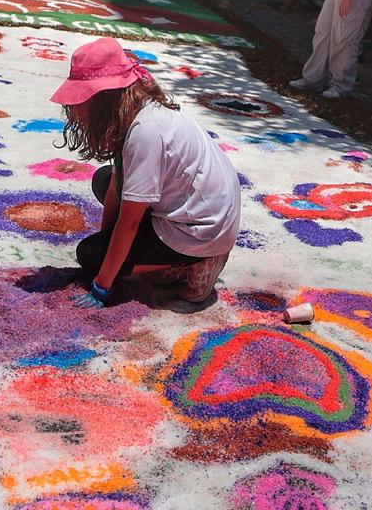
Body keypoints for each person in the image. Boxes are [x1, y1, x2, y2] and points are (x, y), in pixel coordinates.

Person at [57, 38, 241, 310]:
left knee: (90, 256)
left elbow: (129, 222)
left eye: (83, 100)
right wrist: (106, 244)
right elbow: (116, 188)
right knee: (103, 179)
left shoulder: (146, 133)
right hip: (198, 210)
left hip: (201, 230)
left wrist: (103, 283)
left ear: (104, 98)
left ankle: (193, 264)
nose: (78, 109)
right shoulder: (136, 111)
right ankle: (164, 258)